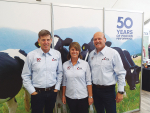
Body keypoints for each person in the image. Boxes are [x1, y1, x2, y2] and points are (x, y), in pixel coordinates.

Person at [21, 29, 63, 113]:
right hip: (37, 93)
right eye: (43, 40)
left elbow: (60, 72)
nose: (46, 42)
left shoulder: (57, 54)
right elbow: (25, 75)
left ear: (51, 40)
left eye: (48, 40)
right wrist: (32, 91)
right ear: (39, 41)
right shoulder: (31, 55)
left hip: (52, 92)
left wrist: (57, 88)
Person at [88, 32, 126, 113]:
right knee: (99, 111)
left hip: (108, 91)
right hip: (95, 90)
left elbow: (121, 73)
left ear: (105, 40)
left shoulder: (113, 53)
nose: (97, 41)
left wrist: (121, 91)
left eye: (99, 39)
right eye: (95, 39)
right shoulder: (91, 55)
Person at [62, 42, 93, 113]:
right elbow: (64, 82)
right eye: (72, 49)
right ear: (69, 51)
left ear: (79, 51)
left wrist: (90, 97)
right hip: (70, 97)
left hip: (83, 97)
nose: (74, 52)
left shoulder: (85, 64)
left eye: (76, 50)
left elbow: (89, 82)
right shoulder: (65, 65)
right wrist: (63, 96)